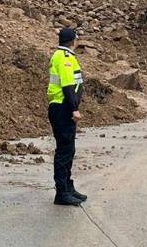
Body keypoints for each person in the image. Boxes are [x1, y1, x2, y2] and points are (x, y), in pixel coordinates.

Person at [48, 27, 86, 206]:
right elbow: (68, 86)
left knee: (69, 149)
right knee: (64, 150)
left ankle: (68, 187)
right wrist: (74, 109)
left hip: (63, 106)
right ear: (73, 40)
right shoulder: (64, 58)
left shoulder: (65, 56)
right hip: (63, 107)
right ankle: (61, 192)